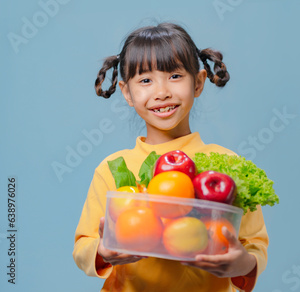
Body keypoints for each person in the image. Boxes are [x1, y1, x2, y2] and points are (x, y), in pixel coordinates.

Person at [73, 22, 268, 292]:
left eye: (175, 76)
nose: (162, 92)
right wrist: (102, 252)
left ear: (198, 82)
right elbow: (83, 245)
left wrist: (243, 264)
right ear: (127, 92)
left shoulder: (228, 166)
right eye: (145, 80)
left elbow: (254, 244)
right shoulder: (112, 168)